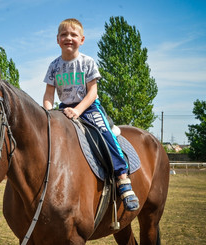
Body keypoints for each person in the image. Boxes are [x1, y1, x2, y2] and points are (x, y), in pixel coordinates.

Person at [42, 18, 139, 211]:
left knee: (105, 134)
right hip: (63, 108)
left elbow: (92, 92)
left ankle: (122, 177)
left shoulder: (87, 62)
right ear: (57, 39)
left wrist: (78, 111)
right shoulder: (54, 66)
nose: (68, 38)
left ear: (82, 39)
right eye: (64, 34)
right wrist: (47, 112)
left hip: (88, 107)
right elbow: (48, 94)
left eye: (73, 34)